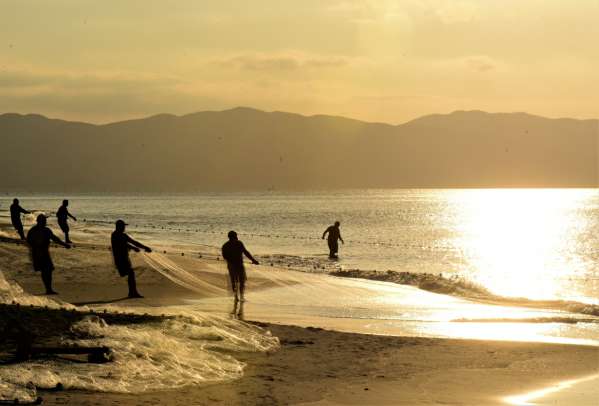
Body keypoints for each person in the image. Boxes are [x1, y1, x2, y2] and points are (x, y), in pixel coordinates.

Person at [26, 214, 71, 295]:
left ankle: (48, 289)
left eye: (45, 220)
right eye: (44, 220)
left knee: (46, 271)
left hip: (37, 253)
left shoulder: (33, 230)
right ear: (40, 221)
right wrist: (65, 244)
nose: (45, 222)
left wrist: (64, 244)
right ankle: (48, 289)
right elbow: (55, 239)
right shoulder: (45, 230)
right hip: (42, 253)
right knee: (47, 271)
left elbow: (28, 241)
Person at [111, 219, 152, 298]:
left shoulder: (118, 235)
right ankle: (132, 293)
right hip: (121, 259)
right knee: (130, 273)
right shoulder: (117, 235)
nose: (124, 228)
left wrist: (142, 247)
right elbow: (127, 243)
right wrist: (142, 247)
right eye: (123, 226)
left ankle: (132, 292)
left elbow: (130, 243)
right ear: (119, 227)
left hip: (124, 258)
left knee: (130, 273)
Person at [221, 231, 259, 302]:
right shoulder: (236, 244)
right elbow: (225, 256)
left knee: (239, 281)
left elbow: (245, 252)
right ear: (233, 237)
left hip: (235, 265)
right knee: (237, 281)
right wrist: (253, 260)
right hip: (234, 265)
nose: (236, 237)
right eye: (235, 236)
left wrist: (253, 260)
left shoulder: (227, 245)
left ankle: (239, 296)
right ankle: (238, 296)